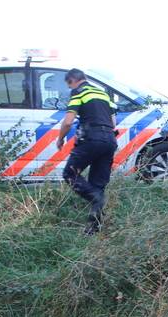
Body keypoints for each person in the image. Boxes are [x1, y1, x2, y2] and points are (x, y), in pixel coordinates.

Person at [57, 69, 118, 234]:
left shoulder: (78, 92)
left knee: (70, 174)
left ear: (72, 80)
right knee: (98, 184)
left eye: (69, 85)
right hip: (110, 140)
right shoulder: (103, 94)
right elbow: (113, 122)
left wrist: (60, 138)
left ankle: (95, 197)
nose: (70, 88)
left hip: (91, 138)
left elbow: (68, 122)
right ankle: (93, 229)